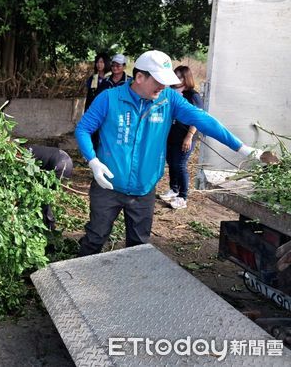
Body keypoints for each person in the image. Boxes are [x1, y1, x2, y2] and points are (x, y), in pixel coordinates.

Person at [75, 50, 263, 257]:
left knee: (138, 246)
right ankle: (77, 281)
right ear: (139, 77)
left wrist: (243, 148)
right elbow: (83, 128)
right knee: (95, 237)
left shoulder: (168, 100)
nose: (164, 86)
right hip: (107, 186)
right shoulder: (109, 99)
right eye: (159, 81)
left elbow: (203, 120)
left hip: (144, 189)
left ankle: (131, 285)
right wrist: (93, 161)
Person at [160, 66, 203, 210]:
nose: (176, 79)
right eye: (175, 76)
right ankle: (174, 189)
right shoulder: (170, 92)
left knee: (180, 164)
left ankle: (183, 196)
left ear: (186, 78)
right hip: (171, 134)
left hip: (185, 135)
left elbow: (197, 118)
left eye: (180, 77)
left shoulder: (192, 95)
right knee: (171, 162)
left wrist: (189, 136)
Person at [28, 145, 73, 230]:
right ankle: (45, 222)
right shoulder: (29, 150)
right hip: (61, 161)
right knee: (41, 194)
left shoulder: (23, 155)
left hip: (62, 165)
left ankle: (49, 225)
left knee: (44, 196)